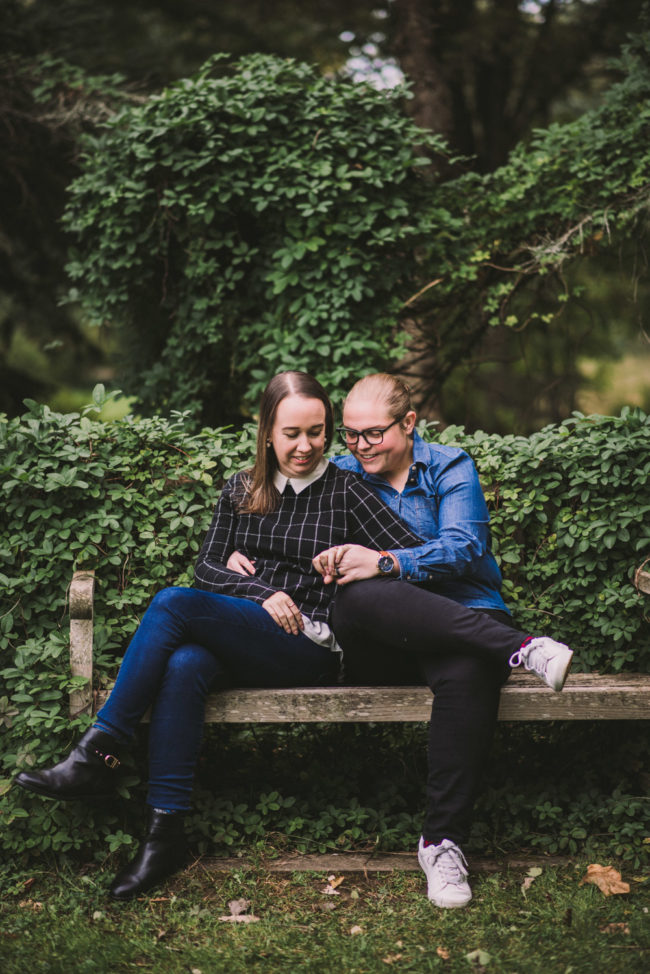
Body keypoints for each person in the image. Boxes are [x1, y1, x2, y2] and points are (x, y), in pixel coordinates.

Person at [14, 371, 426, 899]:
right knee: (185, 664)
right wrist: (255, 591)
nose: (305, 446)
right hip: (251, 633)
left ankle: (98, 753)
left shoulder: (346, 490)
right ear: (267, 433)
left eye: (317, 432)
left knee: (170, 604)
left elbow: (412, 552)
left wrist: (368, 563)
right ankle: (165, 836)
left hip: (312, 644)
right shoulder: (242, 488)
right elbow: (206, 569)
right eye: (291, 433)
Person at [229, 373, 573, 910]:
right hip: (382, 641)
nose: (360, 447)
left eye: (373, 434)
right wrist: (240, 559)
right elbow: (284, 528)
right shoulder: (340, 472)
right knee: (359, 597)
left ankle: (441, 845)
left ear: (408, 423)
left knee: (468, 674)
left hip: (460, 627)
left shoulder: (449, 466)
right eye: (350, 435)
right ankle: (520, 646)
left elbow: (463, 546)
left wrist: (386, 561)